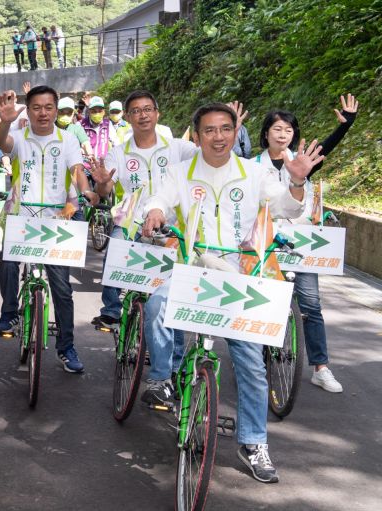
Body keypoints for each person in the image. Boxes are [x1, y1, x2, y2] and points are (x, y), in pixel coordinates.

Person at [140, 103, 325, 484]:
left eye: (226, 129)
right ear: (197, 136)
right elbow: (159, 199)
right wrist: (154, 214)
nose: (219, 136)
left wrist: (297, 182)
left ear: (235, 133)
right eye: (209, 130)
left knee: (252, 365)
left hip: (241, 277)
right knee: (156, 302)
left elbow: (285, 207)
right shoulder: (180, 172)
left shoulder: (253, 173)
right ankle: (160, 380)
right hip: (193, 270)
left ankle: (254, 442)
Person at [254, 93, 358, 393]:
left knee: (311, 305)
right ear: (266, 133)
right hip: (264, 243)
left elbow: (326, 147)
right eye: (277, 128)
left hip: (300, 245)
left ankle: (321, 367)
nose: (283, 134)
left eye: (288, 129)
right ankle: (254, 360)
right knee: (261, 301)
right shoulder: (252, 165)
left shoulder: (302, 162)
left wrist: (345, 126)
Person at [0, 86, 99, 373]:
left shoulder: (67, 140)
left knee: (62, 290)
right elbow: (1, 142)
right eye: (36, 107)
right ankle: (9, 313)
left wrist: (86, 191)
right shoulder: (20, 139)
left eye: (48, 107)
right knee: (8, 261)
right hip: (22, 216)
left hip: (57, 221)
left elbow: (77, 171)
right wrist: (3, 120)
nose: (43, 112)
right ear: (28, 110)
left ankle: (66, 347)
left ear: (56, 110)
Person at [91, 90, 198, 329]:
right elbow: (105, 189)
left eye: (148, 109)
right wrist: (101, 182)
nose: (143, 115)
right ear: (128, 117)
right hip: (132, 221)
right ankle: (111, 311)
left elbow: (210, 158)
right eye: (136, 111)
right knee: (114, 256)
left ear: (157, 113)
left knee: (171, 283)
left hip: (170, 224)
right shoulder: (117, 153)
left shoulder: (179, 148)